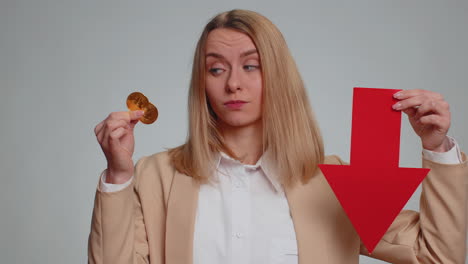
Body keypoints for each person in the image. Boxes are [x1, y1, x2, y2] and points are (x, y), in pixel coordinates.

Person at [88, 9, 467, 264]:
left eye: (251, 66)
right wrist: (118, 177)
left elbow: (437, 255)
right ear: (201, 83)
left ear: (278, 76)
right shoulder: (156, 176)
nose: (234, 83)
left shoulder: (333, 182)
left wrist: (437, 148)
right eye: (216, 69)